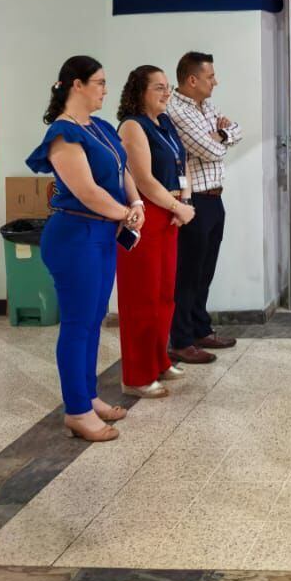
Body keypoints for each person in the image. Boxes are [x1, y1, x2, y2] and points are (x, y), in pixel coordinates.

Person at [26, 56, 144, 442]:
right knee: (77, 325)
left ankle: (88, 396)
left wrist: (136, 203)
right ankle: (76, 411)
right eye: (99, 82)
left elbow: (123, 170)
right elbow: (87, 191)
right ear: (75, 85)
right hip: (75, 236)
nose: (105, 90)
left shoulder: (103, 127)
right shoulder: (63, 134)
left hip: (102, 233)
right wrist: (126, 214)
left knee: (93, 321)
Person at [116, 66, 195, 399]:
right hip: (147, 215)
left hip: (171, 214)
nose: (166, 93)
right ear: (140, 91)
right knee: (142, 298)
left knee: (165, 295)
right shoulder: (133, 126)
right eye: (159, 88)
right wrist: (178, 208)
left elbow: (182, 164)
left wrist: (185, 201)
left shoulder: (166, 124)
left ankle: (159, 360)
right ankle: (136, 375)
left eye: (167, 88)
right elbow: (144, 179)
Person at [167, 52, 241, 365]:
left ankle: (200, 328)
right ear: (192, 80)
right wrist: (220, 137)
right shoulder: (177, 110)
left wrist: (222, 132)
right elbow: (209, 150)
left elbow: (234, 131)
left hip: (214, 197)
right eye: (210, 77)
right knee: (188, 272)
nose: (216, 81)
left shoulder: (206, 105)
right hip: (192, 199)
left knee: (205, 271)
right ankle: (182, 339)